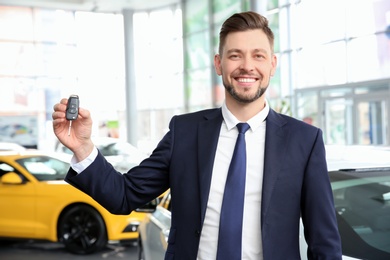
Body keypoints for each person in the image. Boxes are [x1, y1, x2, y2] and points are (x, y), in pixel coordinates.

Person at [52, 11, 342, 260]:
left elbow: (324, 240)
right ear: (219, 64)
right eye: (235, 55)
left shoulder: (304, 141)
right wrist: (83, 147)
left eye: (258, 56)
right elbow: (124, 196)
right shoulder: (185, 132)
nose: (247, 66)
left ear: (272, 65)